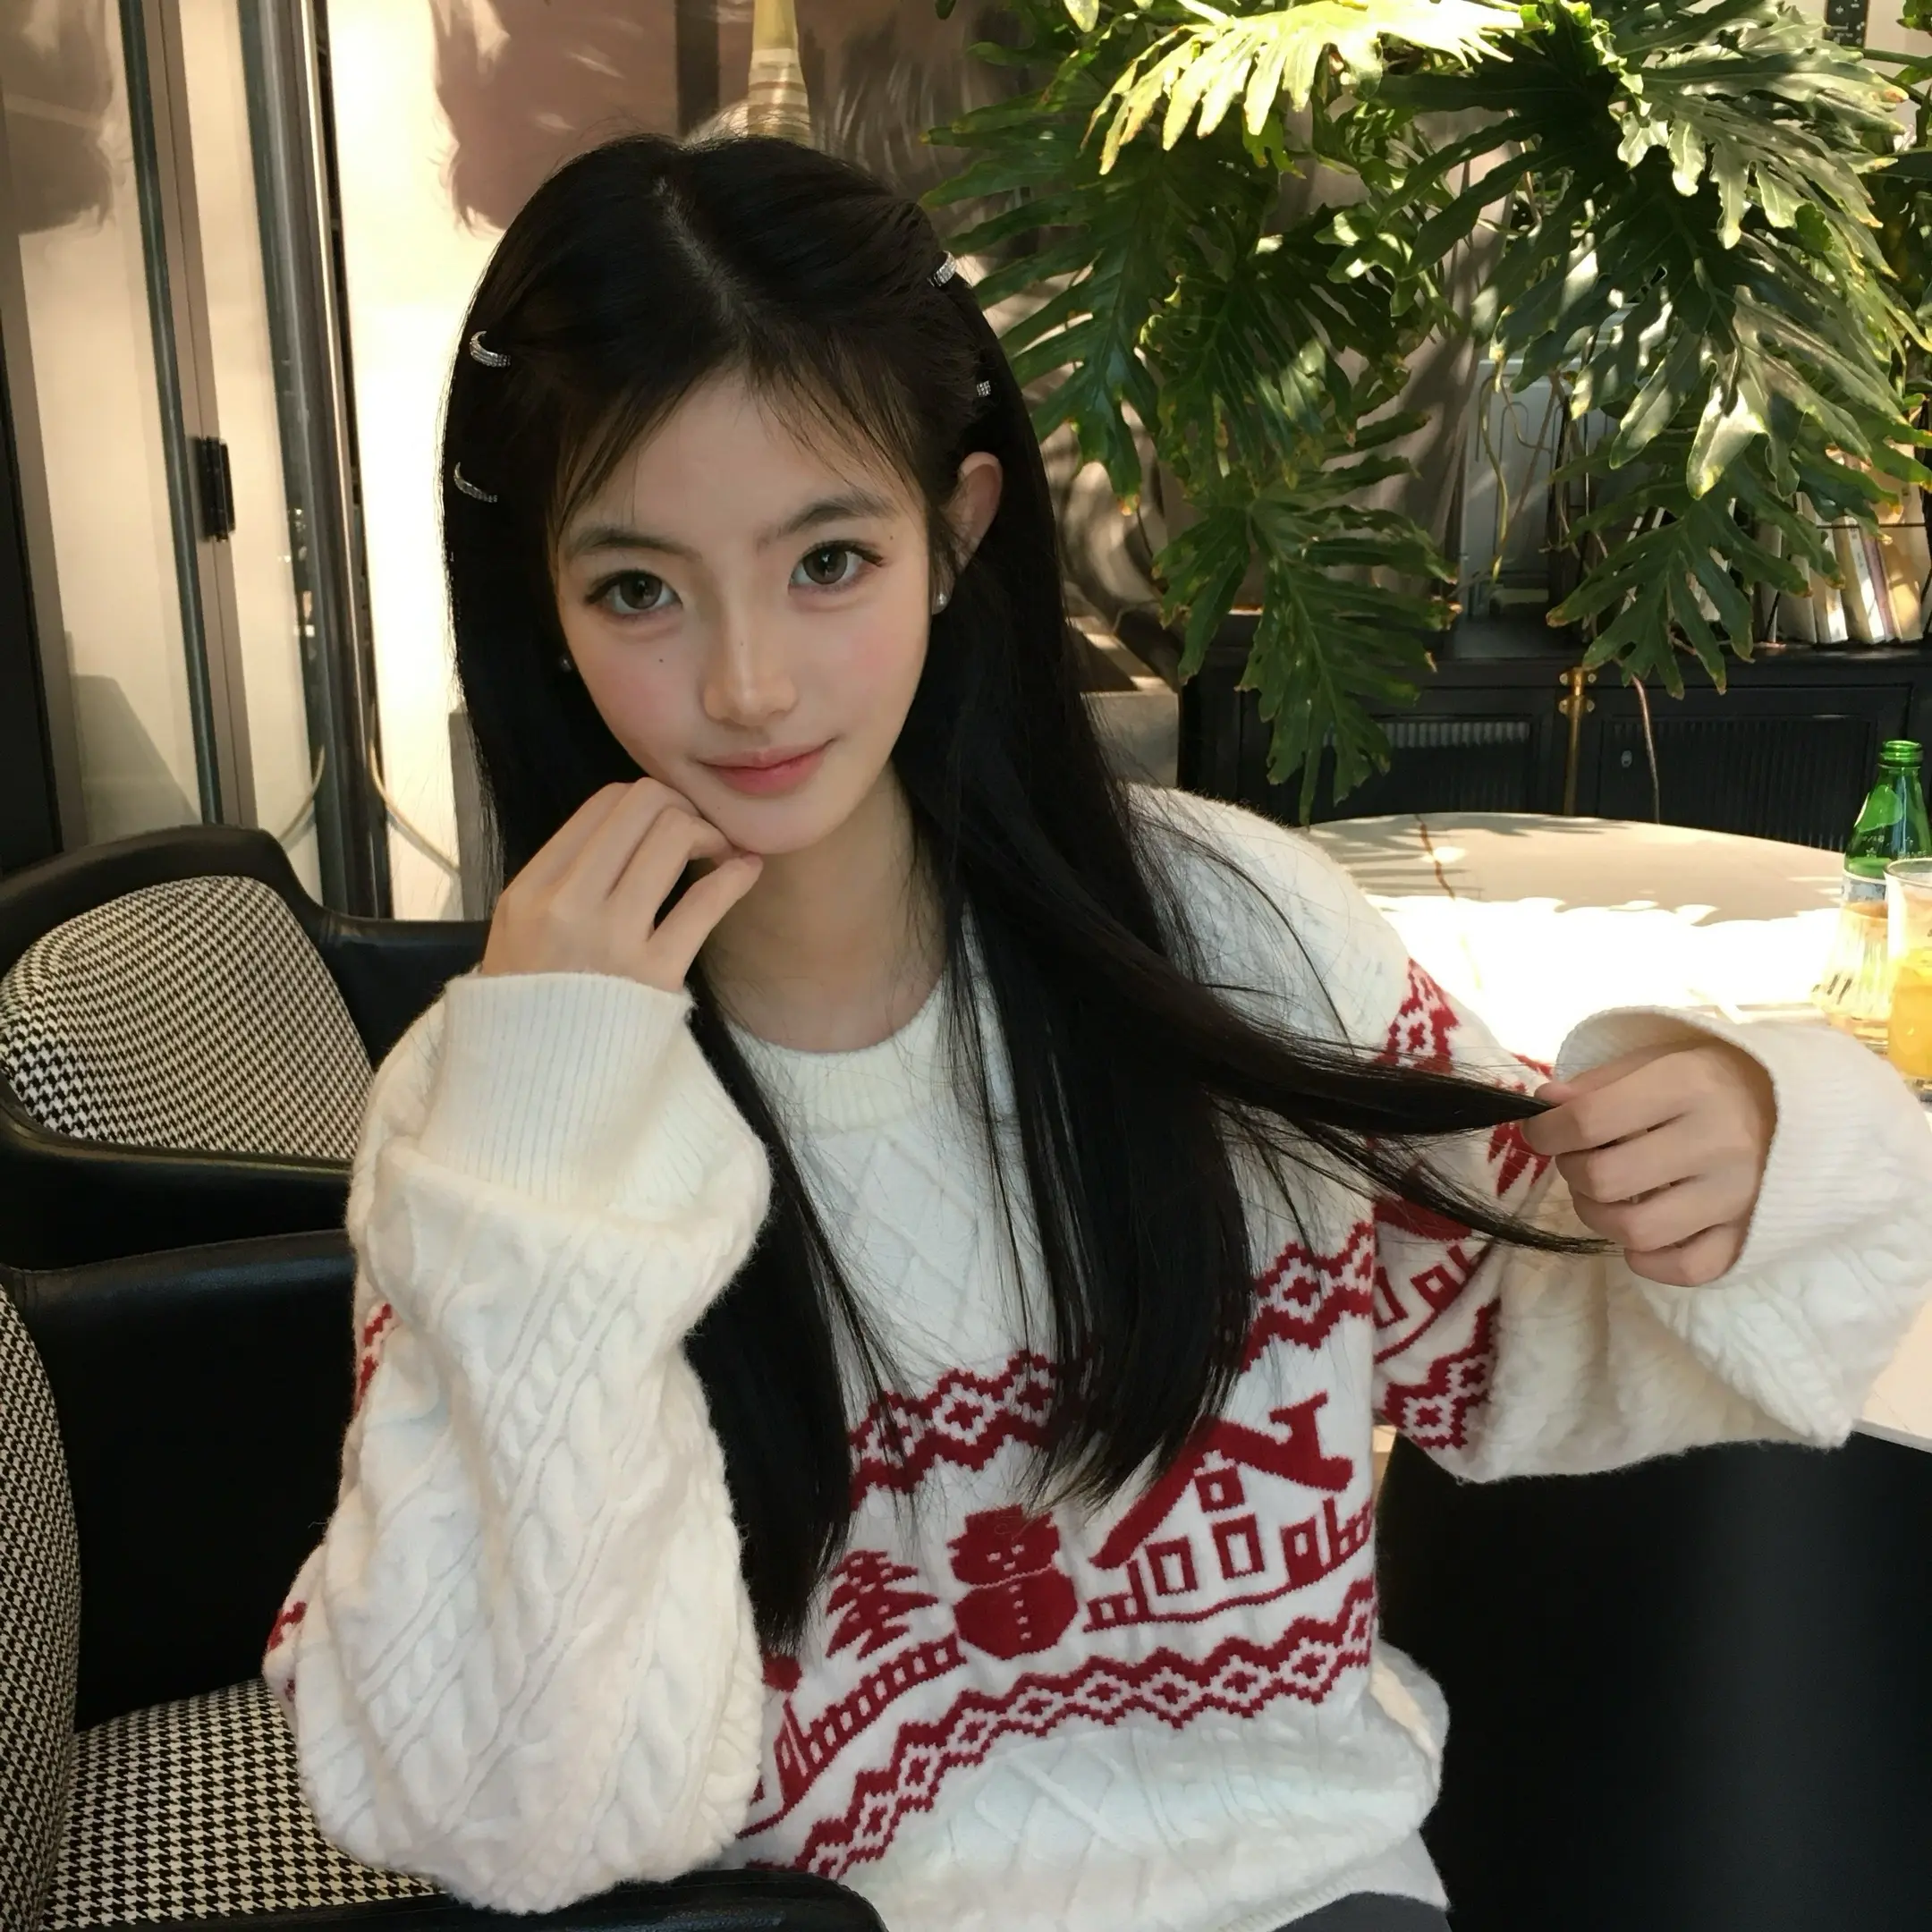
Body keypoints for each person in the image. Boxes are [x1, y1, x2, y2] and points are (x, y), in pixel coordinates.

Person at [262, 134, 1932, 1932]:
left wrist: (1755, 1146)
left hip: (1295, 1891)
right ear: (545, 604)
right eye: (639, 591)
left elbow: (1534, 1336)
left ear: (957, 529)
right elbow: (508, 1815)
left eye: (829, 559)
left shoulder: (1233, 933)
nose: (747, 684)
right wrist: (547, 1153)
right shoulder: (504, 1107)